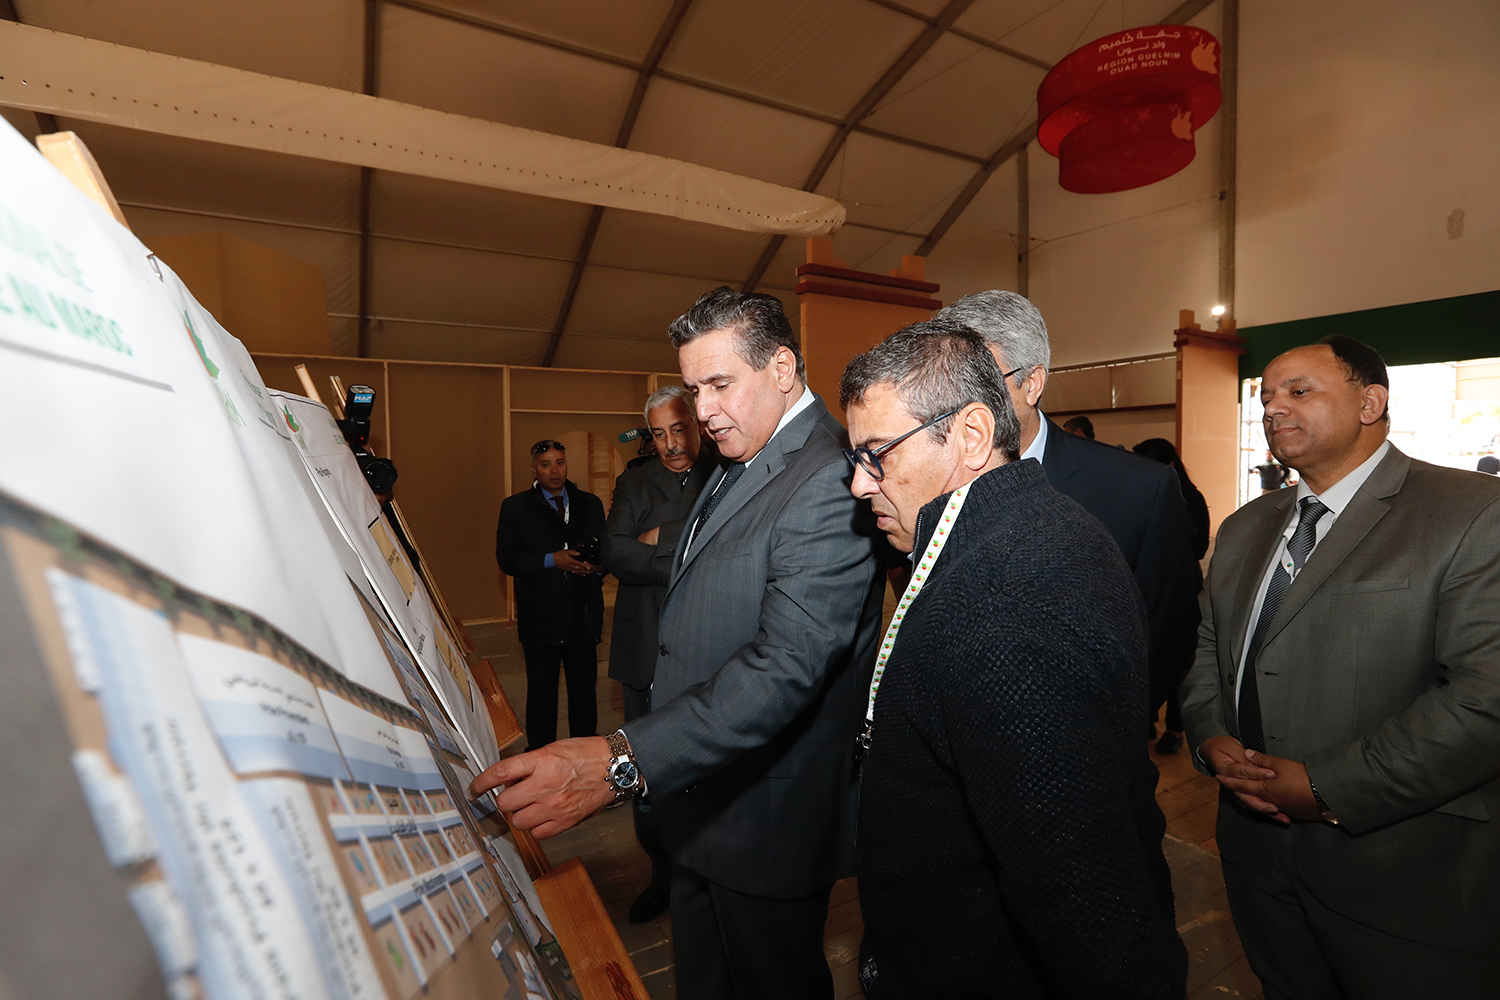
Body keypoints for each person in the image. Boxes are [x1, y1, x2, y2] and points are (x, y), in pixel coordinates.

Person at [470, 287, 883, 1000]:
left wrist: (621, 761)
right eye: (694, 390)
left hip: (764, 816)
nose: (704, 411)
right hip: (700, 794)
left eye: (720, 384)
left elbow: (785, 666)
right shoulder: (738, 453)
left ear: (782, 367)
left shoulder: (824, 474)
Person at [841, 320, 1186, 999]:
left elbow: (1080, 896)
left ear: (971, 434)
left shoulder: (1002, 604)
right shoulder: (1033, 524)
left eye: (877, 454)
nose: (858, 484)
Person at [1181, 335, 1500, 998]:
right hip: (1254, 851)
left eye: (1298, 391)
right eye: (1266, 397)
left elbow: (1483, 699)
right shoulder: (1245, 527)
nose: (1273, 408)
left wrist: (1328, 786)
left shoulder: (1472, 513)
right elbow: (1209, 648)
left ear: (1370, 403)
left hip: (1398, 864)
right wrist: (1211, 739)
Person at [937, 291, 1202, 743]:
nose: (959, 407)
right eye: (946, 386)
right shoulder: (929, 479)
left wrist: (1098, 731)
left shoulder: (1138, 490)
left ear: (1032, 382)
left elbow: (1169, 632)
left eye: (978, 384)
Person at [600, 385, 716, 924]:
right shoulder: (633, 481)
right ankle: (661, 875)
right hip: (643, 647)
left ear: (696, 424)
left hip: (706, 646)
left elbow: (730, 548)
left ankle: (704, 870)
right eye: (658, 434)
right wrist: (691, 554)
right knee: (644, 764)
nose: (670, 444)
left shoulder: (725, 471)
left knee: (704, 767)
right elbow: (614, 552)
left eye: (678, 430)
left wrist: (662, 536)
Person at [495, 440, 606, 749]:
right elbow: (508, 559)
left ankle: (584, 756)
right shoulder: (515, 507)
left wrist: (597, 568)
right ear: (534, 469)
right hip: (540, 617)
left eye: (560, 463)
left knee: (584, 695)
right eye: (546, 465)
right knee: (541, 697)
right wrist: (551, 560)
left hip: (583, 615)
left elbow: (608, 551)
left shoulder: (590, 504)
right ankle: (540, 759)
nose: (554, 471)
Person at [1131, 436, 1211, 754]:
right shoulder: (1139, 493)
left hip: (1180, 584)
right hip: (1144, 584)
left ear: (1171, 465)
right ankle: (1146, 718)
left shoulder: (1191, 497)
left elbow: (1199, 546)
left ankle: (1176, 728)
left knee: (1178, 657)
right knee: (1143, 655)